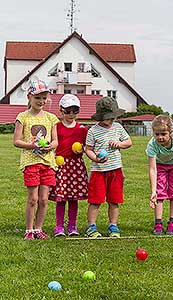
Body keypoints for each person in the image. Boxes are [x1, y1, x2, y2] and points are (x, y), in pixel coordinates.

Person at [13, 79, 59, 240]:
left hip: (47, 163)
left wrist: (50, 147)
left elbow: (55, 141)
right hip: (31, 162)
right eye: (37, 97)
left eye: (44, 98)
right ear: (29, 97)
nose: (41, 101)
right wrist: (32, 146)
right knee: (33, 199)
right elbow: (16, 141)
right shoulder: (22, 117)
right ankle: (29, 230)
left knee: (44, 199)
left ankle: (39, 229)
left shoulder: (51, 118)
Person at [85, 96, 132, 238]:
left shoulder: (118, 127)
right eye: (108, 118)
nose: (111, 120)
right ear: (100, 117)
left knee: (114, 200)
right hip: (98, 172)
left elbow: (129, 142)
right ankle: (91, 227)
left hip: (115, 170)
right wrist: (96, 159)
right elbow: (88, 149)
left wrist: (119, 144)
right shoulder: (93, 131)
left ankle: (113, 226)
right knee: (95, 200)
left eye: (113, 117)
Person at [49, 94, 88, 237]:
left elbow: (87, 147)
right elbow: (52, 144)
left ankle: (72, 226)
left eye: (75, 110)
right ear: (61, 110)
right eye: (68, 111)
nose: (71, 114)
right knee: (61, 198)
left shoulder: (82, 129)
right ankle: (59, 226)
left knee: (73, 198)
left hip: (76, 167)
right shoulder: (56, 127)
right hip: (60, 166)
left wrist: (81, 149)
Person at [146, 115, 173, 235]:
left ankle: (172, 222)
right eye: (157, 134)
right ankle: (158, 223)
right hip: (160, 166)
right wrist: (153, 191)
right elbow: (153, 169)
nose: (160, 137)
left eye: (163, 134)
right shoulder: (152, 144)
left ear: (170, 132)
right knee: (159, 194)